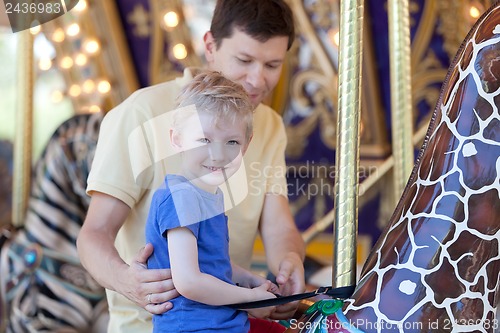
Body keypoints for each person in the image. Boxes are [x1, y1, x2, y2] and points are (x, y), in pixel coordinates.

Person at [77, 0, 306, 332]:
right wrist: (128, 280)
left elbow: (279, 227)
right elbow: (94, 234)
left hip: (225, 319)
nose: (257, 80)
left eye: (272, 64)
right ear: (210, 46)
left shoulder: (268, 125)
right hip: (152, 323)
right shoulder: (141, 113)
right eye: (244, 60)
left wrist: (289, 264)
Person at [146, 70, 286, 332]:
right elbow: (189, 281)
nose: (218, 154)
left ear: (246, 145)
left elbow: (210, 262)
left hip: (220, 322)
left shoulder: (209, 195)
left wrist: (248, 279)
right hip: (194, 326)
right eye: (204, 140)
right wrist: (249, 299)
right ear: (176, 139)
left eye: (232, 142)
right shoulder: (181, 196)